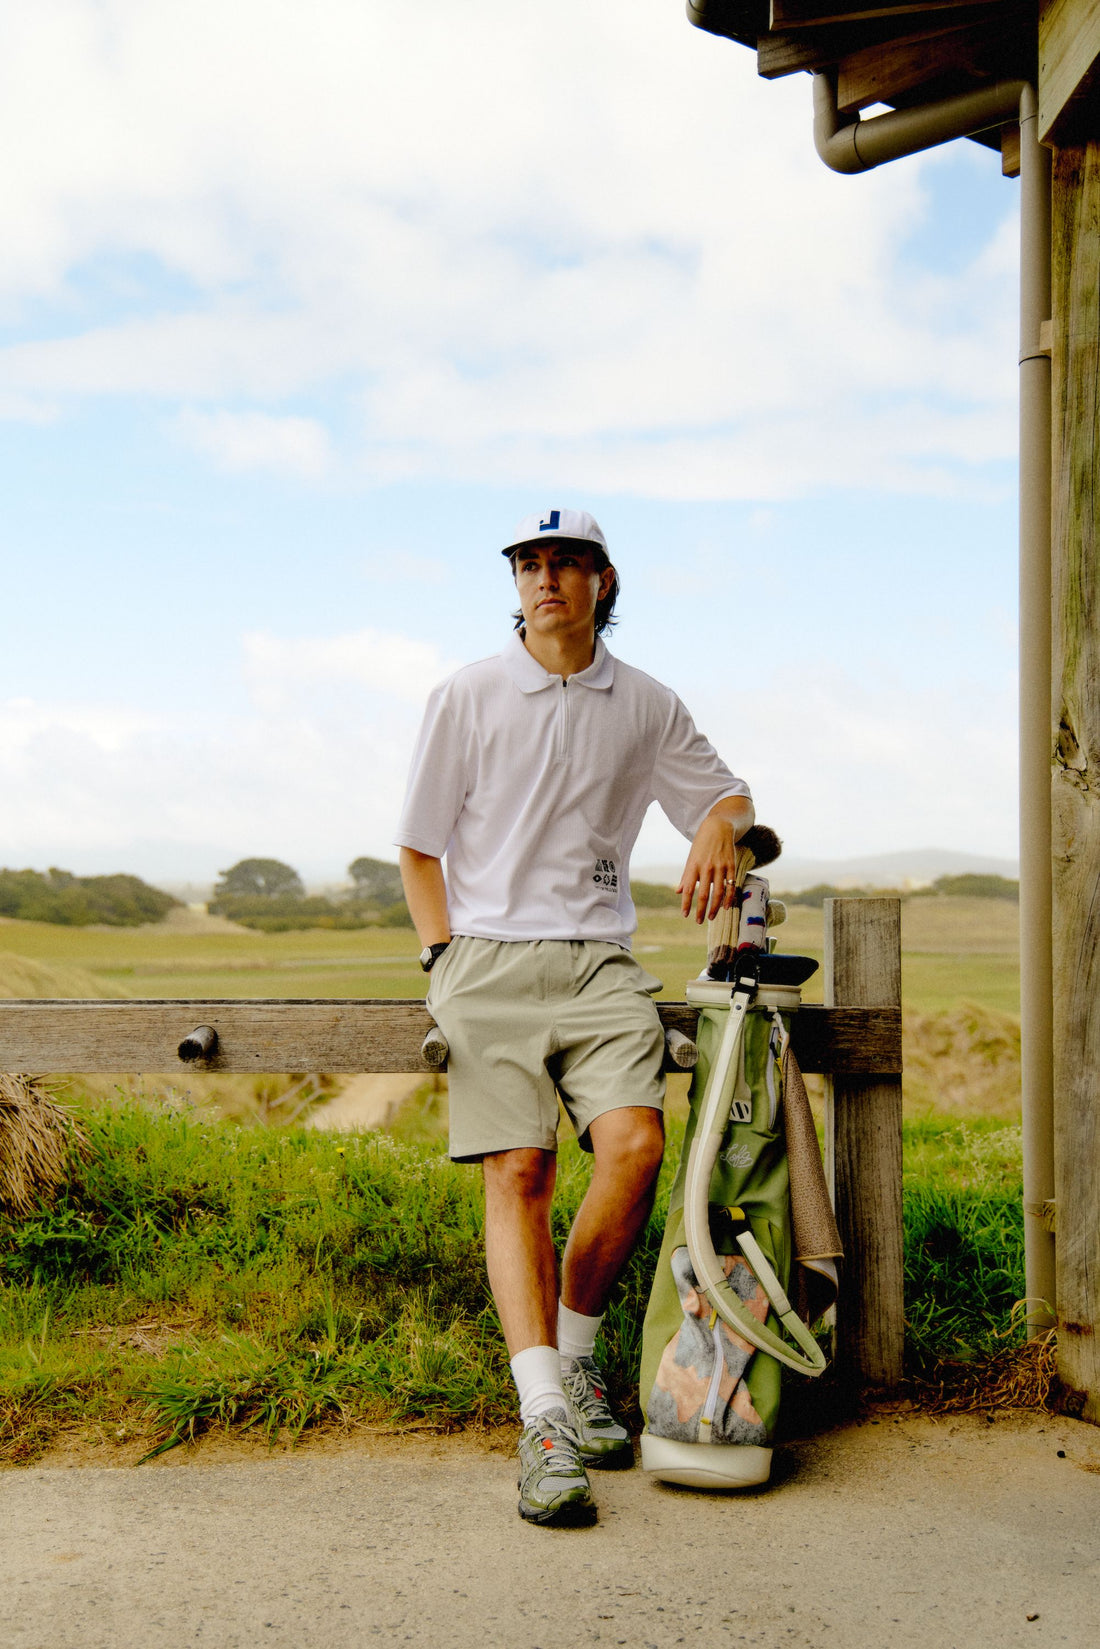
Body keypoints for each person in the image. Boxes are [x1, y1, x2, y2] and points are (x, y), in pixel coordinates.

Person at [395, 508, 753, 1527]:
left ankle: (580, 1353)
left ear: (603, 579)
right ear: (514, 581)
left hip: (600, 960)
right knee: (520, 1169)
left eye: (564, 562)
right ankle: (544, 1413)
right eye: (527, 563)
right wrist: (441, 958)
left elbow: (724, 795)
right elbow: (418, 846)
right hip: (486, 961)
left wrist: (718, 830)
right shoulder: (465, 693)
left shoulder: (643, 702)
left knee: (634, 1145)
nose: (543, 578)